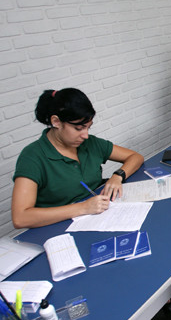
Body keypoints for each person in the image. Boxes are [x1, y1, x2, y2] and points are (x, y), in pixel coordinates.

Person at [11, 88, 144, 229]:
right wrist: (84, 208)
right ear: (56, 122)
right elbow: (20, 218)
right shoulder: (32, 156)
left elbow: (135, 157)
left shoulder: (90, 143)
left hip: (101, 216)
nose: (85, 135)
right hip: (59, 227)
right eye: (79, 128)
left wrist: (118, 176)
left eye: (88, 128)